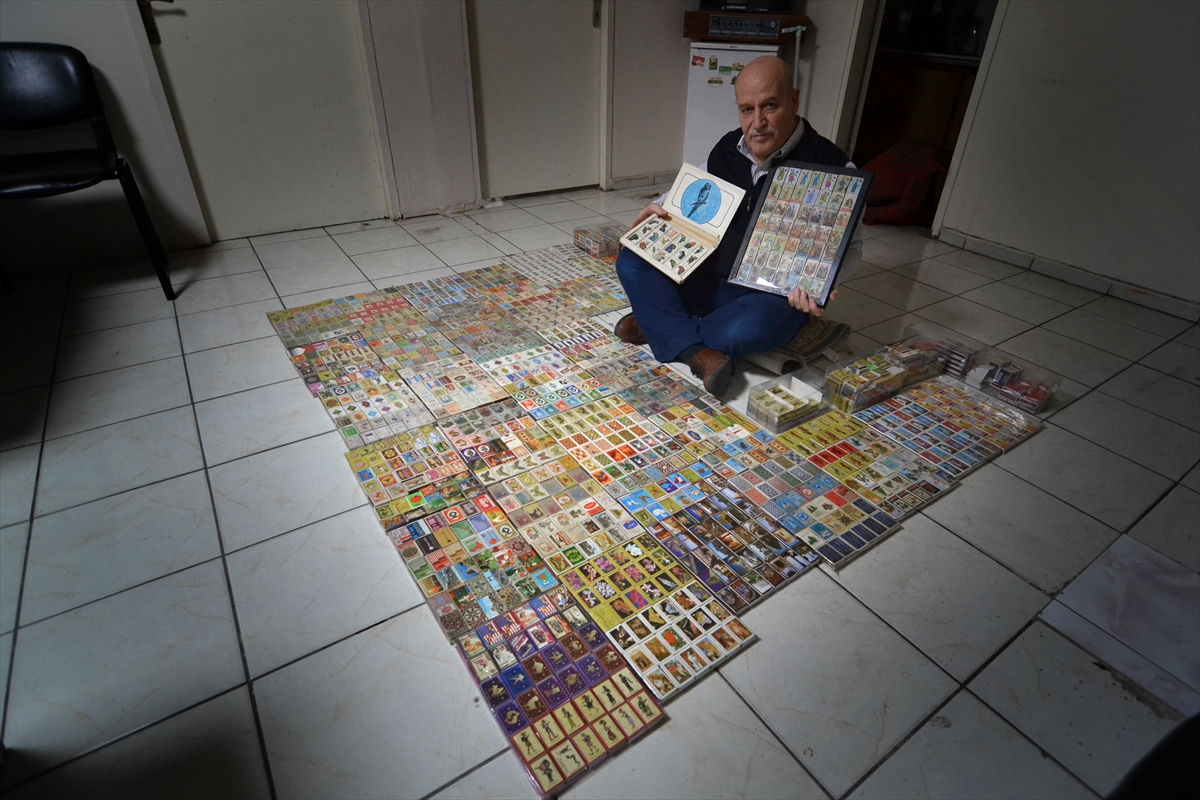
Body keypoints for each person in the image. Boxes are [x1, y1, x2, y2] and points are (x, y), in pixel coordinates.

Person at [614, 56, 861, 395]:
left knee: (743, 330)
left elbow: (853, 247)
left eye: (770, 106)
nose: (757, 122)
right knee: (632, 258)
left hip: (769, 297)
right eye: (747, 109)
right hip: (709, 275)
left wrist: (820, 281)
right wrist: (660, 204)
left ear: (794, 100)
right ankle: (693, 346)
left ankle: (661, 325)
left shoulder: (836, 168)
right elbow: (694, 189)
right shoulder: (728, 147)